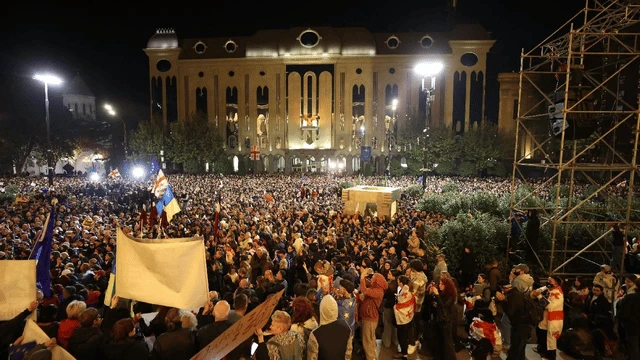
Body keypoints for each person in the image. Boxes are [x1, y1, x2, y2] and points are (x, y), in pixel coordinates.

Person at [307, 295, 353, 360]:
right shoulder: (346, 328)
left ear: (322, 310)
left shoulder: (315, 335)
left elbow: (312, 358)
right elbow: (348, 355)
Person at [495, 279, 530, 360]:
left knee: (516, 349)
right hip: (522, 326)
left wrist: (503, 301)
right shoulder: (515, 294)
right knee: (518, 350)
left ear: (504, 288)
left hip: (521, 326)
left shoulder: (514, 296)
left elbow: (511, 313)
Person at [357, 270, 387, 360]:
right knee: (370, 338)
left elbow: (364, 290)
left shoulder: (378, 291)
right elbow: (368, 284)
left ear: (378, 282)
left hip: (370, 318)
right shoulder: (375, 287)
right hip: (367, 317)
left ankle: (371, 357)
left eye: (373, 279)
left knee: (368, 340)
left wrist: (362, 278)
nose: (372, 280)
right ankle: (371, 355)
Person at [533, 276, 564, 360]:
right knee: (541, 332)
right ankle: (541, 349)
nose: (548, 282)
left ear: (556, 283)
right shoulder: (551, 289)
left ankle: (550, 357)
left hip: (554, 319)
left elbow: (549, 307)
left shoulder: (558, 294)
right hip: (546, 317)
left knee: (551, 339)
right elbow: (542, 289)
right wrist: (541, 289)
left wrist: (539, 296)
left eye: (550, 281)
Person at [617, 277, 640, 360]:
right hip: (633, 325)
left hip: (632, 327)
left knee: (633, 347)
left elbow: (623, 313)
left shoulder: (630, 297)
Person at [393, 275, 415, 360]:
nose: (397, 282)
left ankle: (404, 355)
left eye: (398, 281)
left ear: (401, 283)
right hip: (408, 318)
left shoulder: (405, 293)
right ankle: (403, 352)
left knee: (402, 337)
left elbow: (401, 305)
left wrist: (395, 307)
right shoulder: (407, 290)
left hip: (403, 320)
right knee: (404, 336)